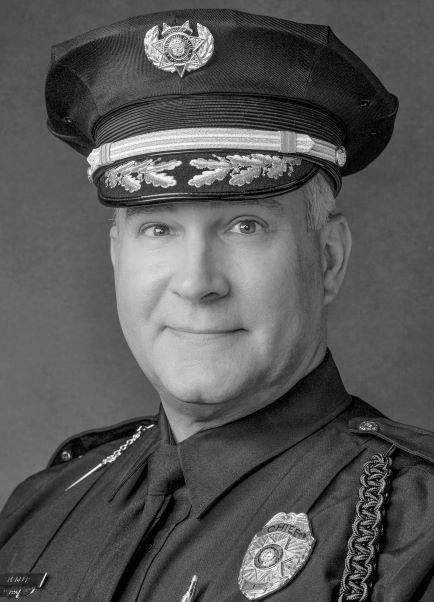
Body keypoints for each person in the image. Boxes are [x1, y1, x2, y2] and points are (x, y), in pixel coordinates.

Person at [0, 8, 432, 601]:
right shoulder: (39, 510)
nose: (197, 282)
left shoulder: (410, 532)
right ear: (117, 256)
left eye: (245, 226)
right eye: (158, 229)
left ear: (328, 257)